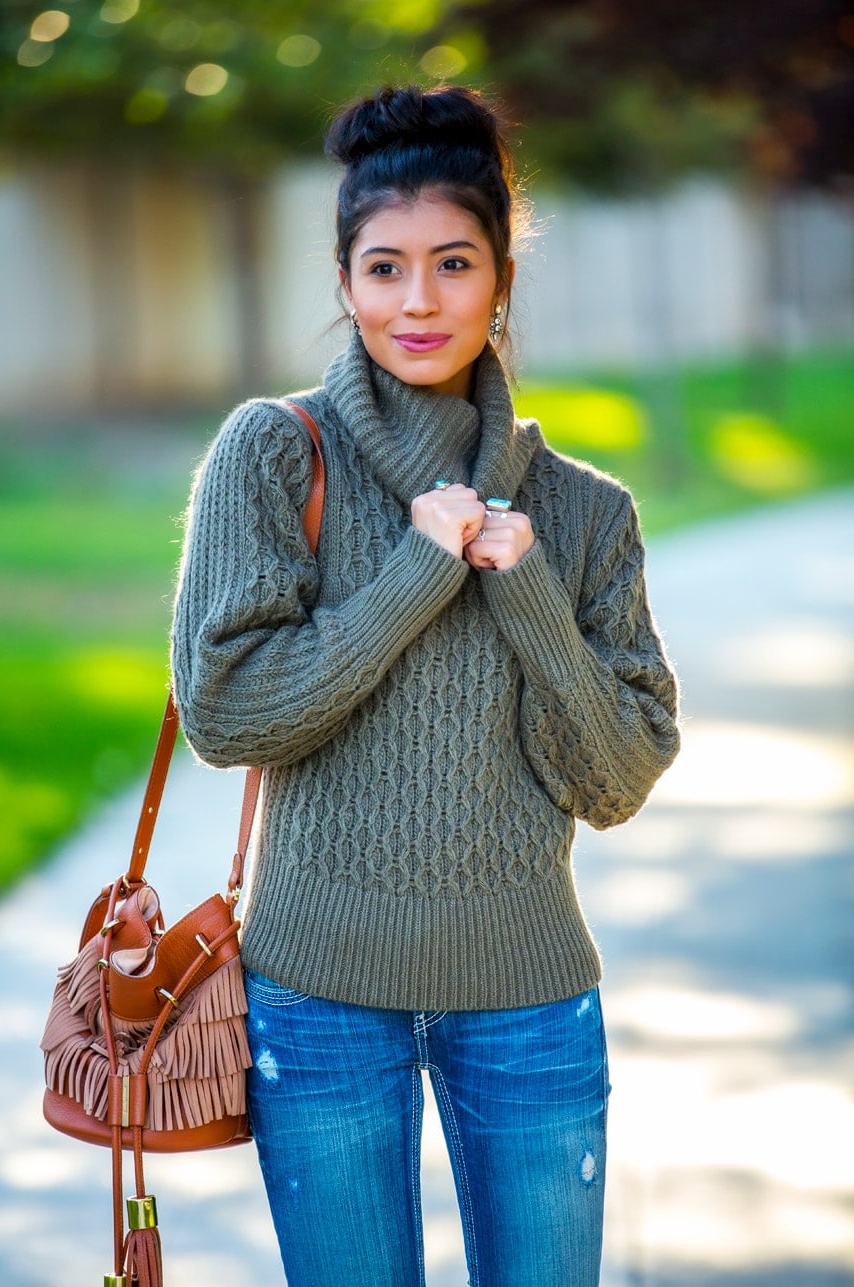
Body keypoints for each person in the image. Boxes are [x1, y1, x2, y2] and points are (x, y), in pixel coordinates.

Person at [171, 83, 680, 1287]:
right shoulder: (270, 454)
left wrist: (529, 589)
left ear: (501, 276)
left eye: (453, 263)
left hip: (530, 1005)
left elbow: (615, 783)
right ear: (343, 281)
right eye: (384, 266)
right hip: (317, 999)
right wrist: (415, 569)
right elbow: (228, 715)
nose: (418, 300)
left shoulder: (585, 512)